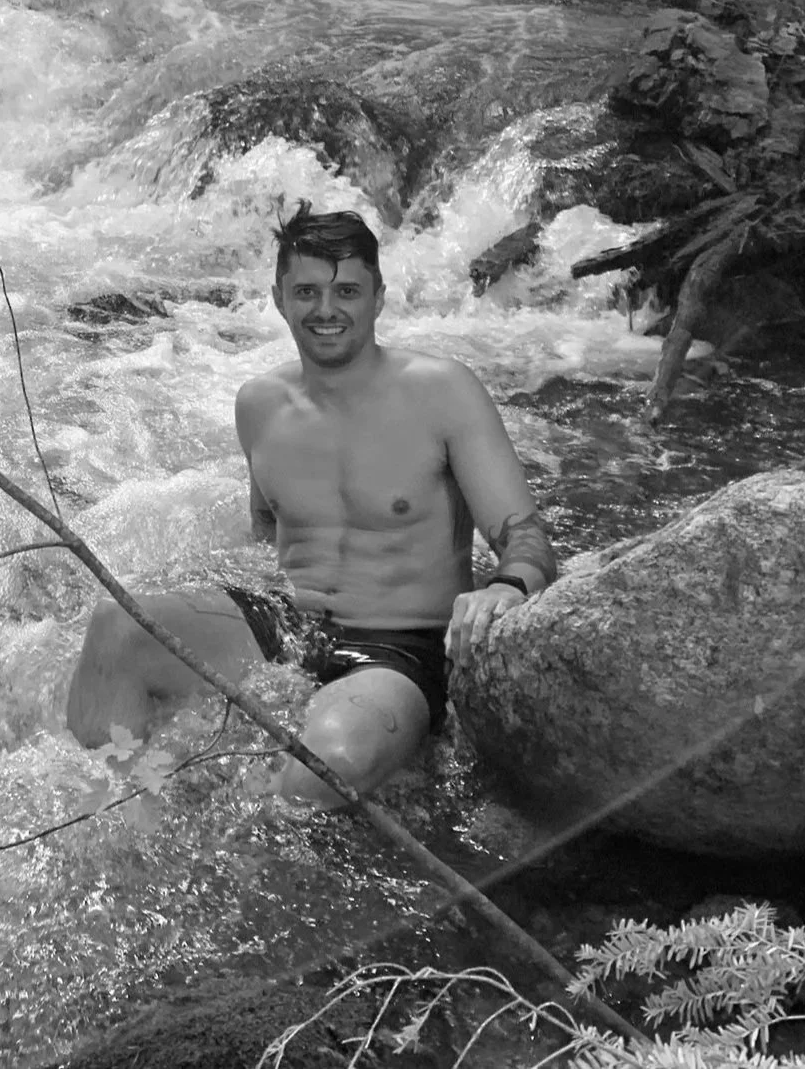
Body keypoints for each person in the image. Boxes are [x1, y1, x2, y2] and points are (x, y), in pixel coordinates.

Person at [64, 200, 557, 806]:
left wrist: (507, 587)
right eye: (307, 292)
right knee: (117, 627)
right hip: (291, 628)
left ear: (378, 296)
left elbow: (525, 534)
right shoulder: (259, 404)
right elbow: (267, 530)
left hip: (400, 648)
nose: (326, 311)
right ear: (278, 297)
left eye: (347, 291)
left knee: (330, 765)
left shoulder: (444, 392)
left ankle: (257, 849)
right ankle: (108, 816)